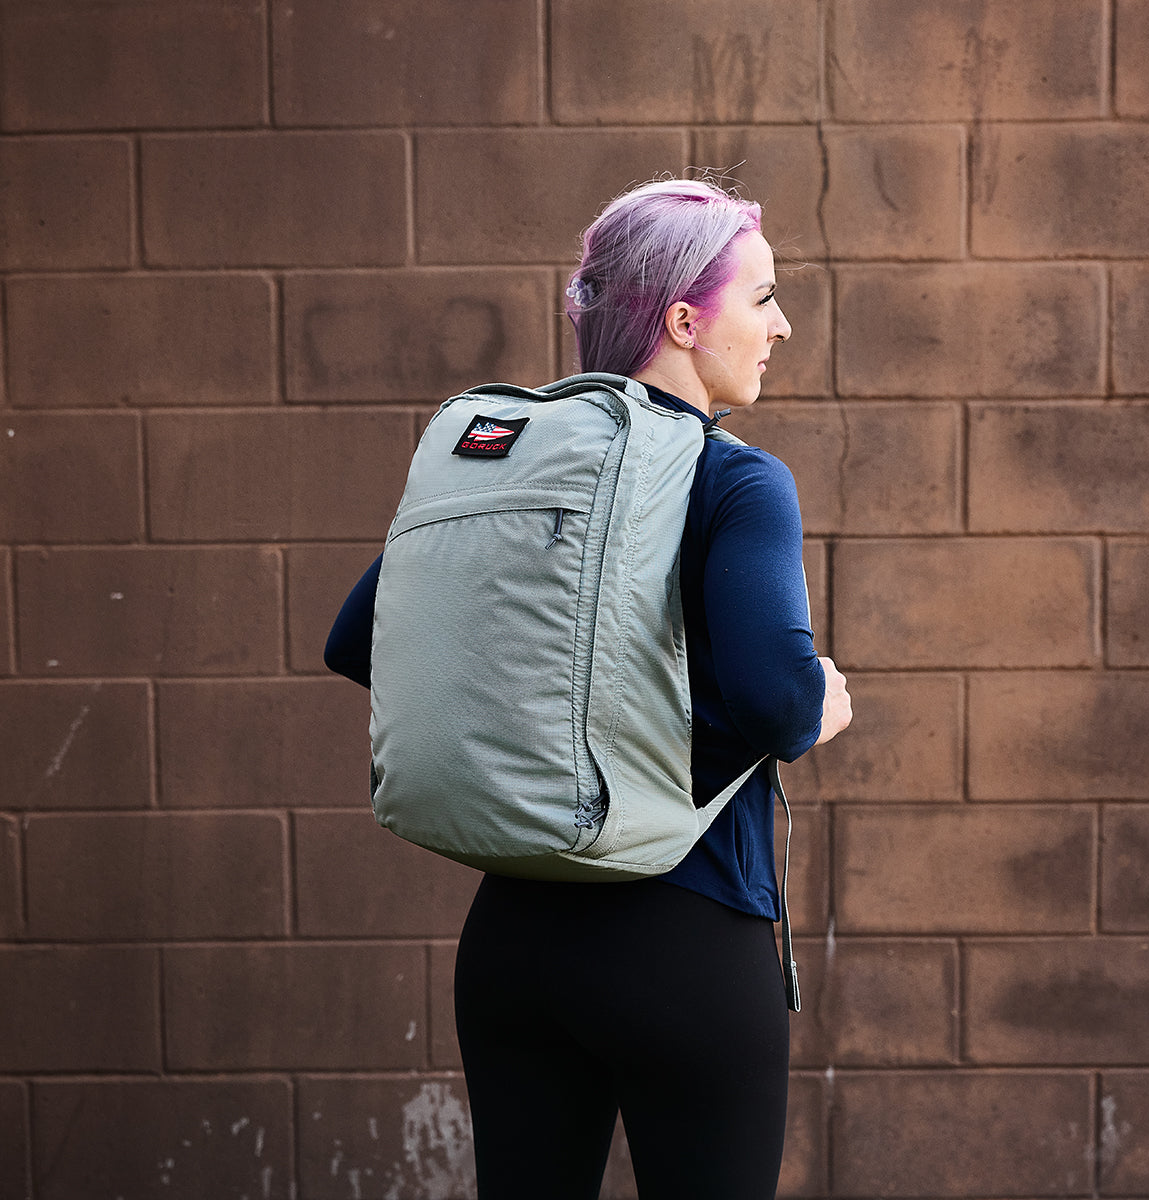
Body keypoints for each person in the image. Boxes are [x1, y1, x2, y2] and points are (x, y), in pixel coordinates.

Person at [324, 176, 853, 1200]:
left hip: (515, 950)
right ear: (687, 320)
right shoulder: (737, 478)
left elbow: (358, 641)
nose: (781, 325)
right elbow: (782, 704)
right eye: (764, 298)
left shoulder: (514, 468)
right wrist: (821, 699)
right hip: (687, 945)